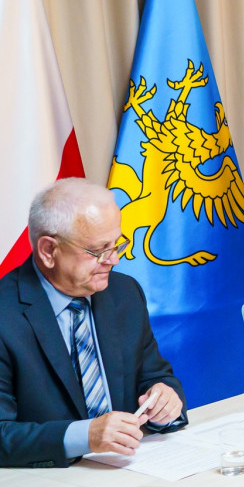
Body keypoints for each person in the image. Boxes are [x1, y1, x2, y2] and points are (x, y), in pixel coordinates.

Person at [0, 179, 186, 468]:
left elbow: (154, 375)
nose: (114, 260)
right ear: (48, 250)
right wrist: (85, 436)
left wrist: (164, 400)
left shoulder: (124, 292)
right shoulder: (6, 314)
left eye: (117, 244)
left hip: (129, 466)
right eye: (98, 250)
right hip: (45, 479)